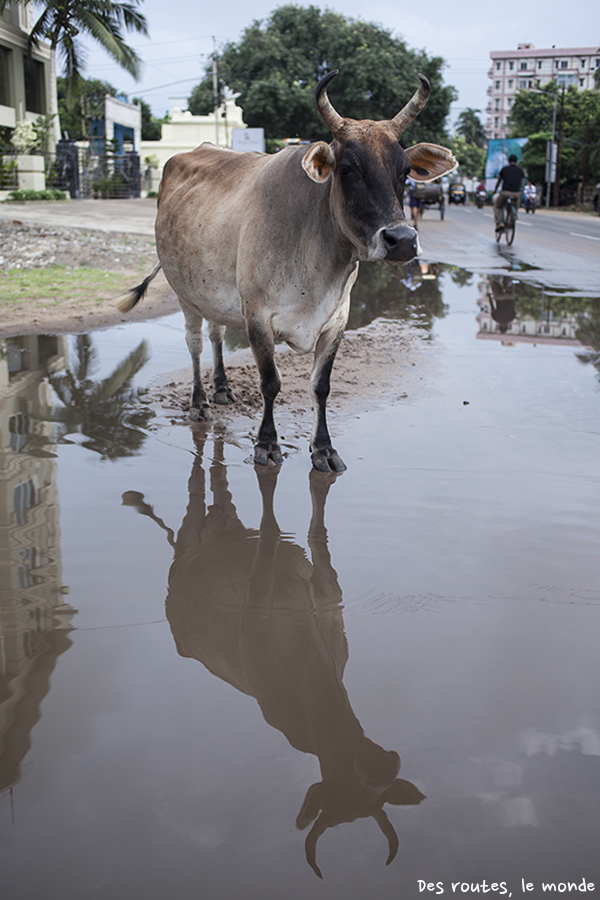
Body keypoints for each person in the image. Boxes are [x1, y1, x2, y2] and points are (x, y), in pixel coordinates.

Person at [493, 154, 525, 232]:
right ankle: (512, 219)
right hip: (516, 193)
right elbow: (520, 182)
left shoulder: (504, 169)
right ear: (517, 162)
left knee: (498, 206)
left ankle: (500, 223)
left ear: (508, 161)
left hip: (505, 193)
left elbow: (499, 181)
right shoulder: (520, 170)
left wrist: (495, 190)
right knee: (515, 205)